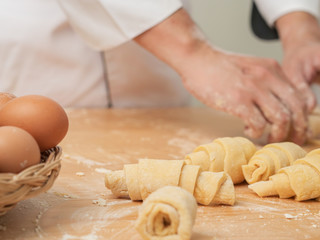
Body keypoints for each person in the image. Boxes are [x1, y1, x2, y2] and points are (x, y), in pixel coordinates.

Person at [1, 1, 320, 145]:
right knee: (32, 142)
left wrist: (299, 25)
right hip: (41, 58)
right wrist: (195, 52)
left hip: (162, 93)